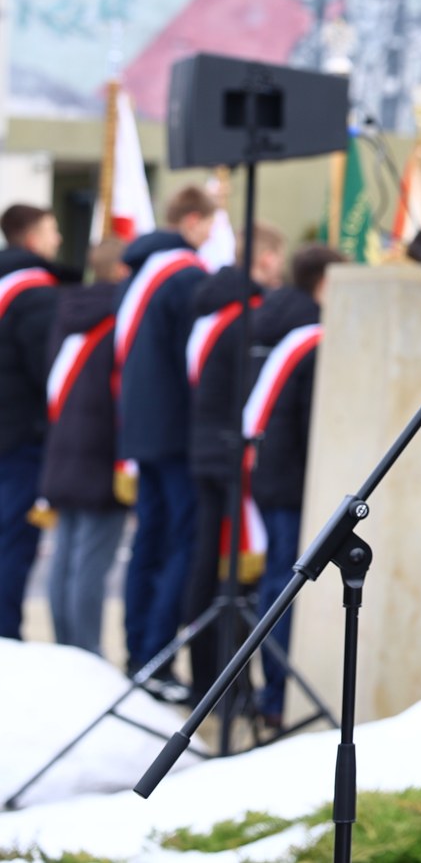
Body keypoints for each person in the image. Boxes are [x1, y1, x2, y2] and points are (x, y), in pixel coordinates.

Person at [116, 185, 218, 692]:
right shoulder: (185, 276)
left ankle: (137, 649)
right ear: (194, 221)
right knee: (182, 542)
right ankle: (157, 658)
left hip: (140, 426)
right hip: (177, 429)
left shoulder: (142, 270)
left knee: (148, 542)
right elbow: (196, 357)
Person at [243, 244, 346, 727]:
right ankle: (280, 695)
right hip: (293, 484)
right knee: (287, 590)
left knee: (274, 586)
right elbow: (315, 424)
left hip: (270, 476)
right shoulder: (317, 338)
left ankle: (273, 691)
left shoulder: (283, 325)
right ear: (326, 283)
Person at [182, 221, 287, 692]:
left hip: (204, 444)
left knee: (209, 560)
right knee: (231, 569)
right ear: (265, 259)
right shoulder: (249, 315)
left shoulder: (213, 307)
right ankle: (225, 683)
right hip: (230, 452)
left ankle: (211, 675)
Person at [38, 238, 132, 652]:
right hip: (101, 452)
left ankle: (65, 649)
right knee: (89, 566)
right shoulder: (118, 318)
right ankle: (86, 655)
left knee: (65, 561)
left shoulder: (69, 311)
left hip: (64, 449)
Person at [2, 203, 76, 640]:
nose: (59, 240)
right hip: (20, 437)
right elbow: (49, 369)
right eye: (52, 230)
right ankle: (6, 632)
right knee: (13, 539)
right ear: (31, 238)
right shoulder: (35, 294)